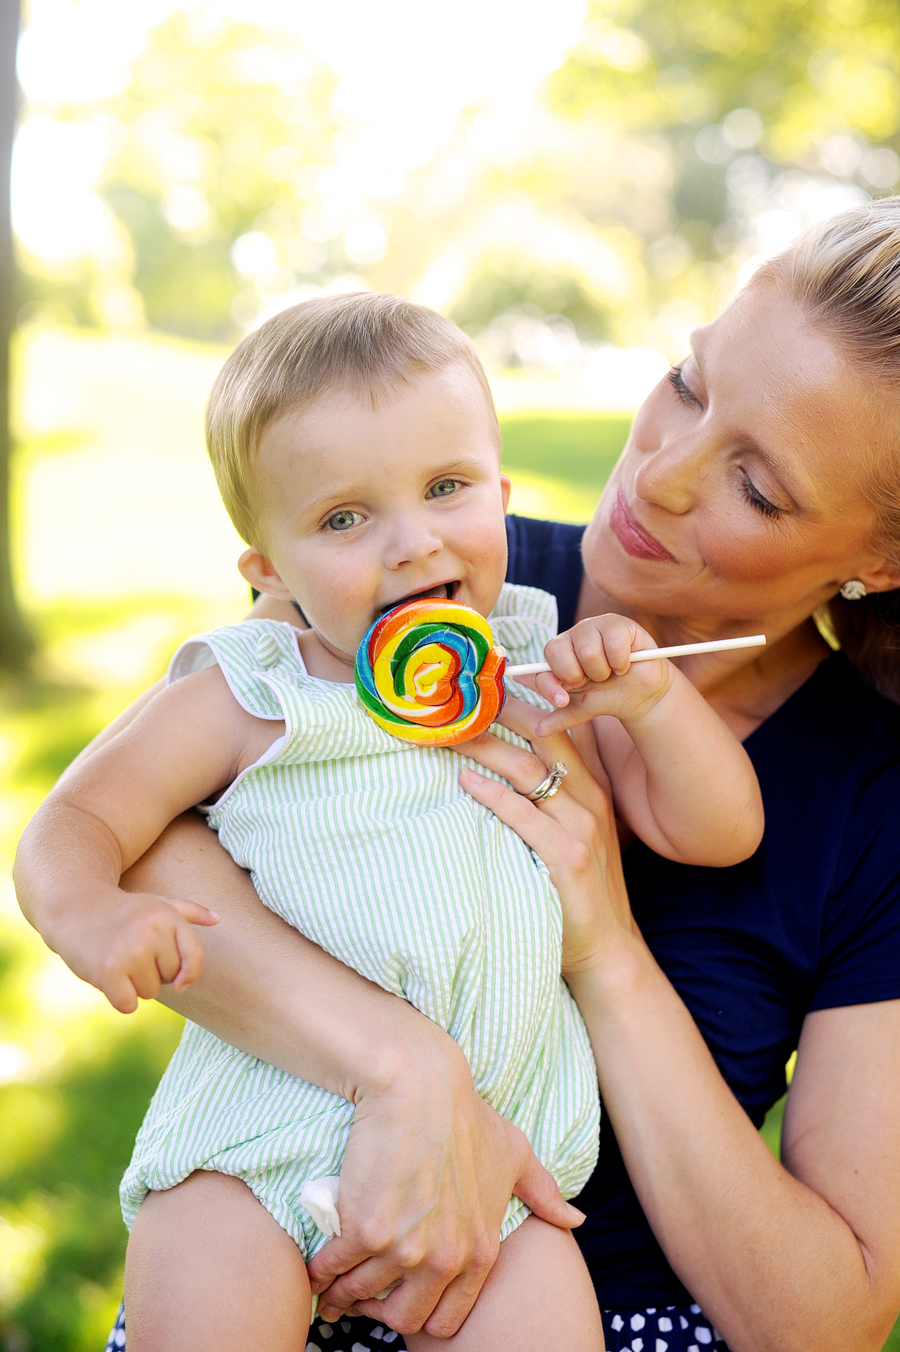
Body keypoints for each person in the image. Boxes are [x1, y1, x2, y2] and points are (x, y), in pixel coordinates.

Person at [13, 294, 763, 1352]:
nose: (412, 542)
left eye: (446, 488)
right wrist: (89, 911)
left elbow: (715, 829)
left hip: (494, 1174)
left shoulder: (534, 672)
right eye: (343, 518)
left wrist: (651, 700)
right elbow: (76, 816)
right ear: (267, 571)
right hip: (253, 1141)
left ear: (501, 497)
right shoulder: (253, 687)